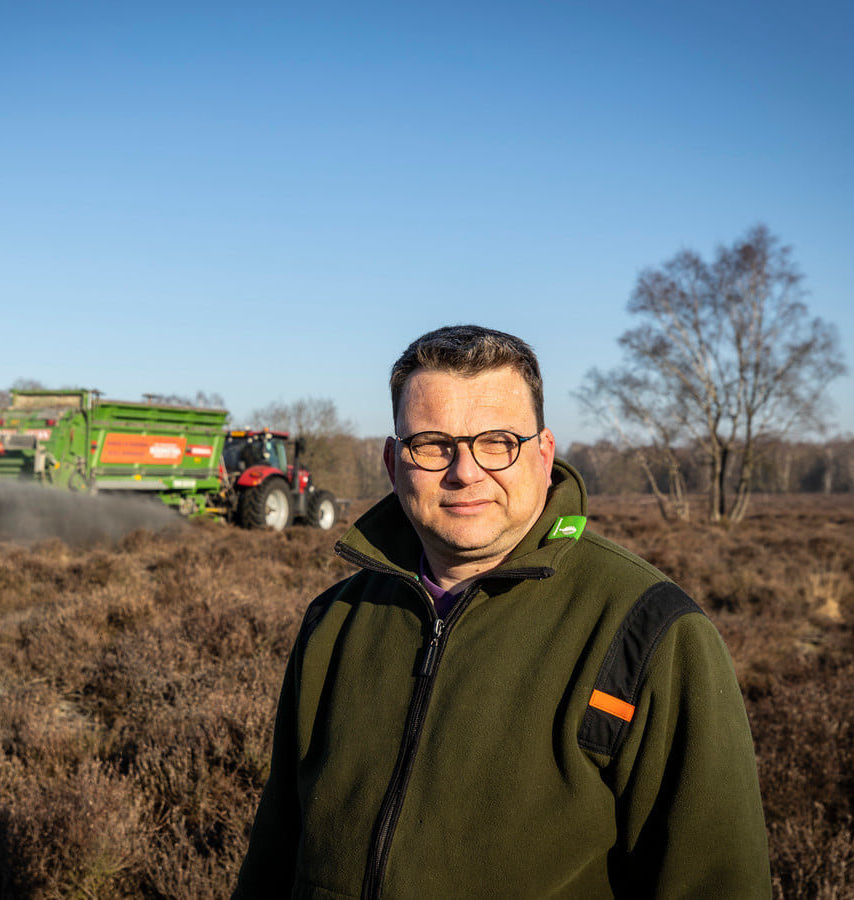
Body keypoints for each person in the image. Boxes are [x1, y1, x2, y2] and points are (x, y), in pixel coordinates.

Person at [233, 325, 770, 898]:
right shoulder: (334, 621)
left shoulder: (652, 634)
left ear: (543, 454)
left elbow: (716, 880)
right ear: (394, 463)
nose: (465, 471)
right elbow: (276, 848)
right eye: (433, 444)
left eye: (497, 442)